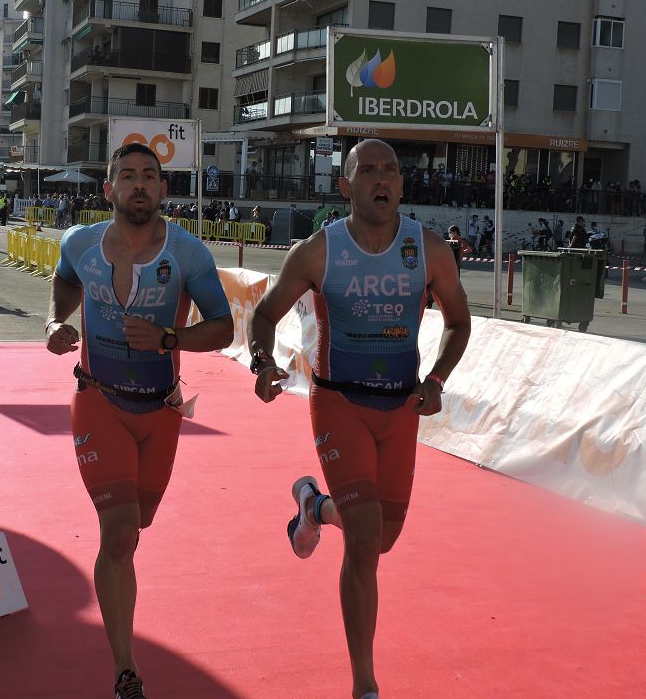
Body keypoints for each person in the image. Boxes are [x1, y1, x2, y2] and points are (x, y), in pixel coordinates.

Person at [248, 139, 471, 699]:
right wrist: (262, 364)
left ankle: (314, 506)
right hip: (339, 402)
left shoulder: (431, 250)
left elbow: (458, 323)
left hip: (400, 409)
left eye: (390, 169)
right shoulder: (318, 252)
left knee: (383, 539)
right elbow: (266, 313)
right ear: (343, 185)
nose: (381, 177)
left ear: (401, 184)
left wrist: (437, 378)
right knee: (366, 536)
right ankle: (365, 684)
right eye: (366, 169)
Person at [44, 143, 233, 699]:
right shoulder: (79, 243)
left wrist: (170, 338)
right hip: (98, 400)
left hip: (161, 411)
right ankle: (125, 670)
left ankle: (120, 604)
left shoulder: (189, 254)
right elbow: (63, 282)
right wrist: (56, 323)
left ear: (163, 190)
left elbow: (222, 328)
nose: (139, 185)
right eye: (127, 176)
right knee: (120, 530)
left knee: (138, 524)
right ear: (109, 190)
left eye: (150, 176)